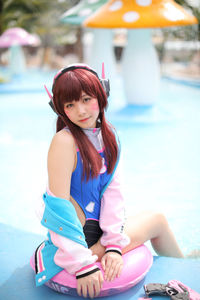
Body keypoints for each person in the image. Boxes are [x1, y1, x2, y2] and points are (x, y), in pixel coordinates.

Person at [34, 63, 183, 299]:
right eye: (70, 105)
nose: (81, 111)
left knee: (158, 220)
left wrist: (114, 246)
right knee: (156, 220)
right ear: (61, 110)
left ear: (101, 96)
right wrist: (82, 264)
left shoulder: (111, 136)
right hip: (77, 235)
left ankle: (185, 268)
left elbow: (113, 195)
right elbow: (58, 207)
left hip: (99, 232)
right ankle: (188, 265)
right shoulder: (64, 141)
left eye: (86, 99)